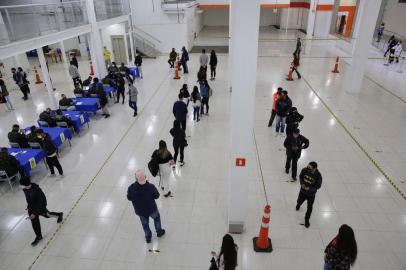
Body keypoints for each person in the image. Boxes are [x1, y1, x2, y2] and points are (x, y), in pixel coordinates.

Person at [20, 177, 63, 246]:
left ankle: (59, 215)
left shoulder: (37, 190)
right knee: (34, 222)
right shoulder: (25, 189)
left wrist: (35, 213)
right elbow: (28, 198)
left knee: (47, 215)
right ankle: (38, 236)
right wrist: (29, 208)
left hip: (40, 207)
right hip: (31, 208)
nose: (20, 186)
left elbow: (41, 202)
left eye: (21, 185)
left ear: (25, 184)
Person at [127, 170, 165, 243]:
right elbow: (157, 196)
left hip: (140, 211)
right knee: (156, 218)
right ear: (145, 177)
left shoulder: (131, 188)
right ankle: (159, 232)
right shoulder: (151, 187)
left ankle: (148, 237)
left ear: (136, 179)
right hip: (152, 209)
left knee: (145, 224)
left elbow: (129, 198)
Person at [296, 161, 322, 228]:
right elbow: (301, 176)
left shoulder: (318, 176)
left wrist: (310, 188)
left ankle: (307, 219)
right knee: (299, 201)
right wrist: (302, 184)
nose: (308, 169)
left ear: (314, 168)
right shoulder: (305, 170)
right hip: (302, 191)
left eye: (310, 168)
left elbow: (318, 186)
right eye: (308, 167)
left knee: (309, 208)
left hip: (311, 195)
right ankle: (298, 204)